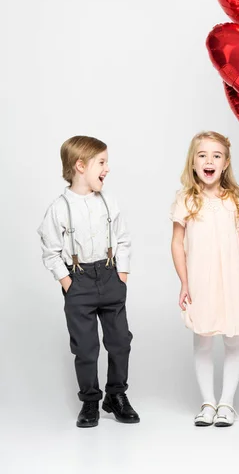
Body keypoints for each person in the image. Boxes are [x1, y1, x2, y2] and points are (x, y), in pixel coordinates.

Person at [170, 131, 239, 427]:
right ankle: (207, 402)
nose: (209, 161)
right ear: (193, 162)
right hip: (201, 279)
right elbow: (177, 244)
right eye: (202, 155)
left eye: (216, 156)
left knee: (233, 341)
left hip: (233, 277)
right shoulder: (186, 200)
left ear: (226, 162)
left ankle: (226, 404)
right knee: (203, 339)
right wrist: (184, 281)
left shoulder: (235, 199)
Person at [38, 135, 139, 428]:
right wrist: (68, 282)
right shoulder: (59, 208)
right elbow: (51, 250)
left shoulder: (109, 201)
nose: (107, 169)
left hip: (109, 276)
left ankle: (116, 396)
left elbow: (122, 239)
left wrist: (122, 274)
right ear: (80, 166)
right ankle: (91, 401)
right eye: (102, 163)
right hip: (79, 281)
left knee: (120, 341)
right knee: (85, 347)